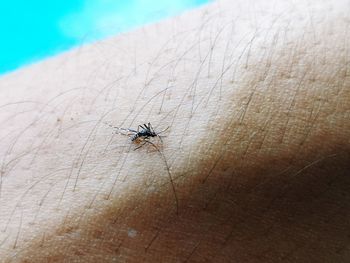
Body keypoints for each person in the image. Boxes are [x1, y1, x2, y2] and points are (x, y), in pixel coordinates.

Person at [0, 0, 349, 262]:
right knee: (135, 134)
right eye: (147, 137)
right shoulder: (145, 137)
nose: (149, 137)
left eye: (147, 137)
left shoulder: (151, 135)